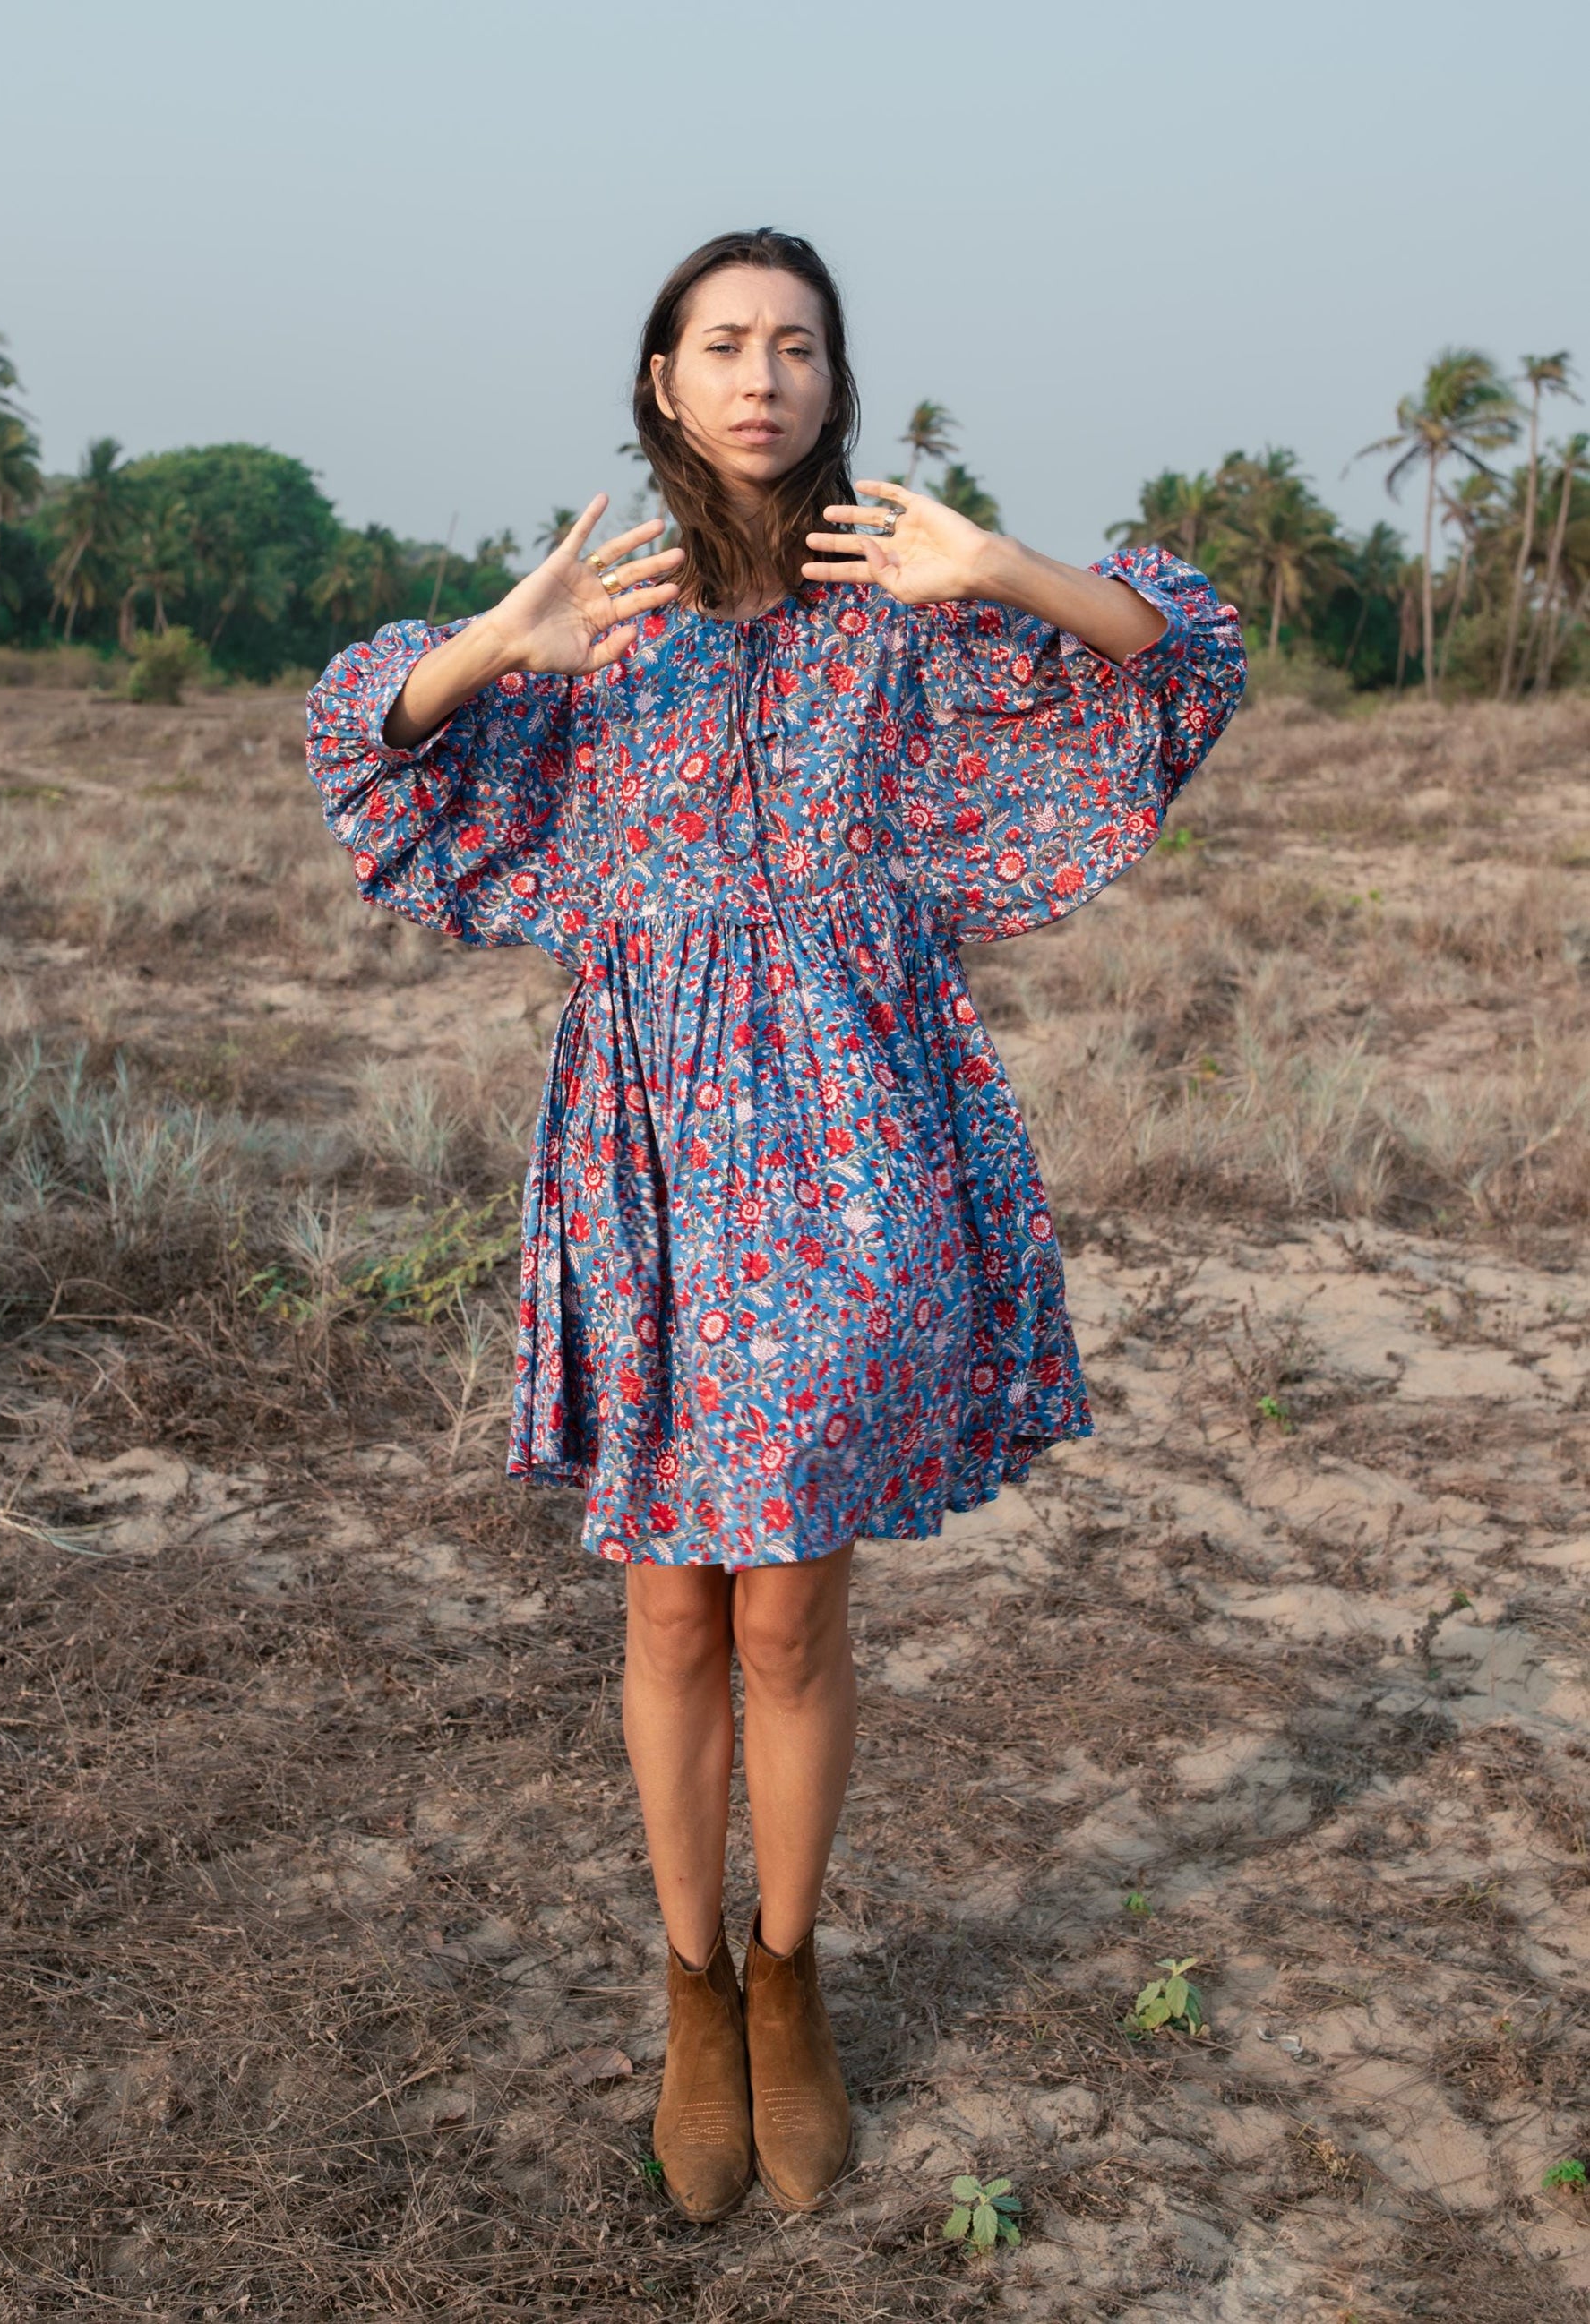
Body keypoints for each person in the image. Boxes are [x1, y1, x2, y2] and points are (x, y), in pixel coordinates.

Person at [305, 227, 1245, 2221]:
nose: (762, 378)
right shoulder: (599, 605)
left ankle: (793, 1972)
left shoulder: (897, 593)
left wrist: (995, 571)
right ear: (661, 379)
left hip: (855, 1140)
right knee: (667, 1602)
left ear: (833, 381)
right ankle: (688, 1983)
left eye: (797, 347)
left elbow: (1180, 672)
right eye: (723, 344)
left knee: (796, 1602)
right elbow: (366, 766)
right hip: (648, 1150)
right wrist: (497, 643)